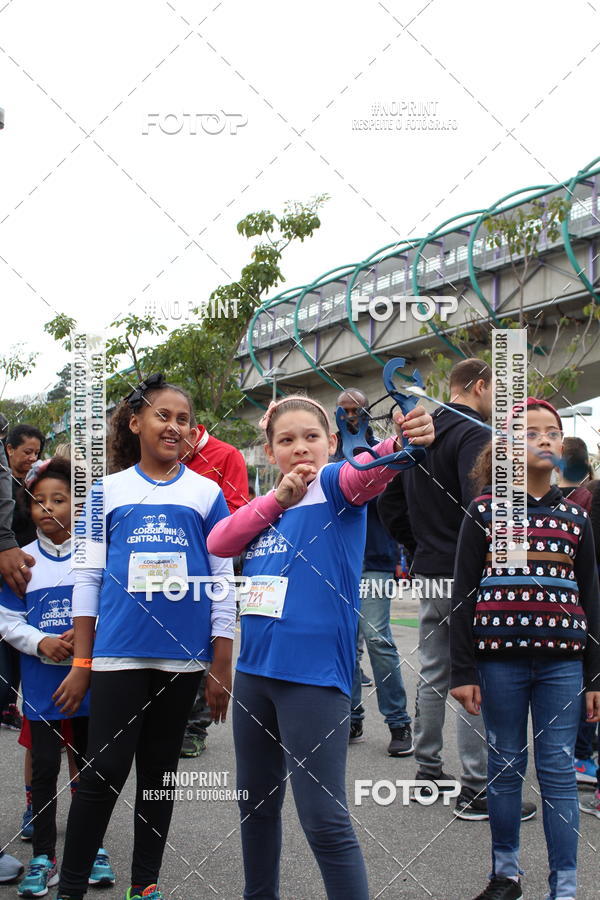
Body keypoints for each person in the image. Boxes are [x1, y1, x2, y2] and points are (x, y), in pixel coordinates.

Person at [207, 393, 435, 900]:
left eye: (311, 437)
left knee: (324, 820)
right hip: (255, 677)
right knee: (256, 807)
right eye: (286, 441)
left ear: (332, 442)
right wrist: (277, 502)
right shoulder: (267, 507)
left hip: (314, 681)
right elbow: (219, 542)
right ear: (270, 452)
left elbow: (369, 473)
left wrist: (402, 441)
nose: (300, 449)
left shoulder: (335, 485)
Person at [53, 376, 236, 900]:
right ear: (135, 424)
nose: (174, 426)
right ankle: (70, 888)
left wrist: (220, 663)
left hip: (182, 660)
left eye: (184, 420)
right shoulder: (105, 494)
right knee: (104, 772)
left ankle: (144, 885)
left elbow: (222, 578)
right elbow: (87, 578)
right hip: (115, 656)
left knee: (159, 776)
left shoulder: (207, 494)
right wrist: (81, 663)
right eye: (162, 416)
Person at [450, 398, 600, 900]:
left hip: (564, 665)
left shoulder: (577, 516)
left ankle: (566, 886)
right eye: (528, 431)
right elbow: (464, 593)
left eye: (551, 432)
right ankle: (506, 875)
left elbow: (593, 596)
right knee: (505, 765)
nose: (542, 439)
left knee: (558, 769)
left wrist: (595, 675)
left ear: (561, 446)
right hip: (498, 662)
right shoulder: (486, 511)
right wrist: (462, 668)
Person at [378, 358, 507, 819]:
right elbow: (486, 506)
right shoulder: (475, 433)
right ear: (479, 385)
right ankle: (476, 787)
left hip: (430, 564)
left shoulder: (419, 429)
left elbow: (389, 500)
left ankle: (428, 770)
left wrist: (416, 546)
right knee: (475, 672)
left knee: (434, 669)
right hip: (467, 568)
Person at [0, 457, 115, 897]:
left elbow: (115, 610)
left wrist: (90, 632)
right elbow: (8, 620)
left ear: (78, 504)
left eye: (59, 500)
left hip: (90, 683)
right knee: (45, 768)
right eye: (38, 502)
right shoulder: (20, 561)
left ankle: (93, 850)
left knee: (91, 768)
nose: (46, 509)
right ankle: (43, 856)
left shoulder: (95, 558)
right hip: (43, 688)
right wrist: (40, 642)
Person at [332, 388, 413, 757]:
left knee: (378, 639)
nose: (351, 416)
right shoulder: (326, 455)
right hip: (334, 564)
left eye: (357, 410)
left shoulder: (385, 452)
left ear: (367, 413)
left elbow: (397, 505)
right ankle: (351, 715)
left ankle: (398, 723)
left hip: (375, 560)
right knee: (344, 644)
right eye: (344, 410)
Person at [180, 422, 249, 758]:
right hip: (170, 568)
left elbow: (238, 511)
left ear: (193, 432)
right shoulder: (168, 456)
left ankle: (196, 727)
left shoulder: (226, 455)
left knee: (207, 646)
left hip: (214, 566)